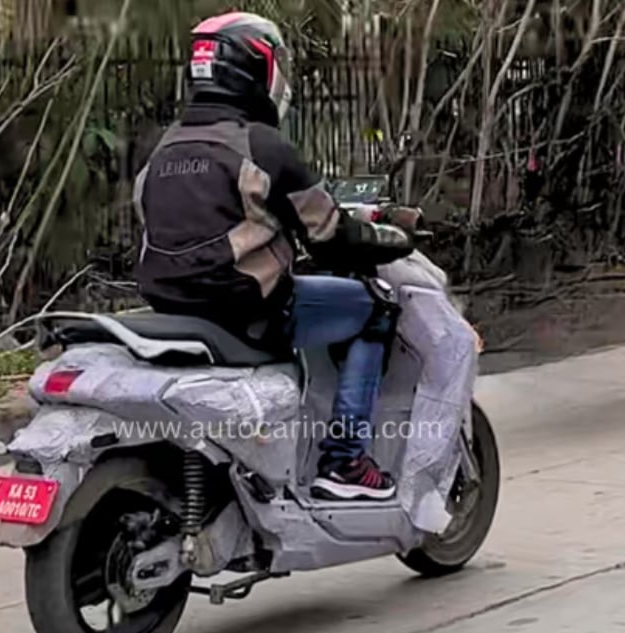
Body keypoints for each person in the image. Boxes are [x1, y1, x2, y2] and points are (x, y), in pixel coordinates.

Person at [131, 12, 414, 500]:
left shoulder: (162, 148)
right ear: (258, 68)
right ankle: (345, 461)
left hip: (170, 309)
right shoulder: (262, 146)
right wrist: (393, 237)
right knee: (375, 307)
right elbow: (329, 237)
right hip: (248, 309)